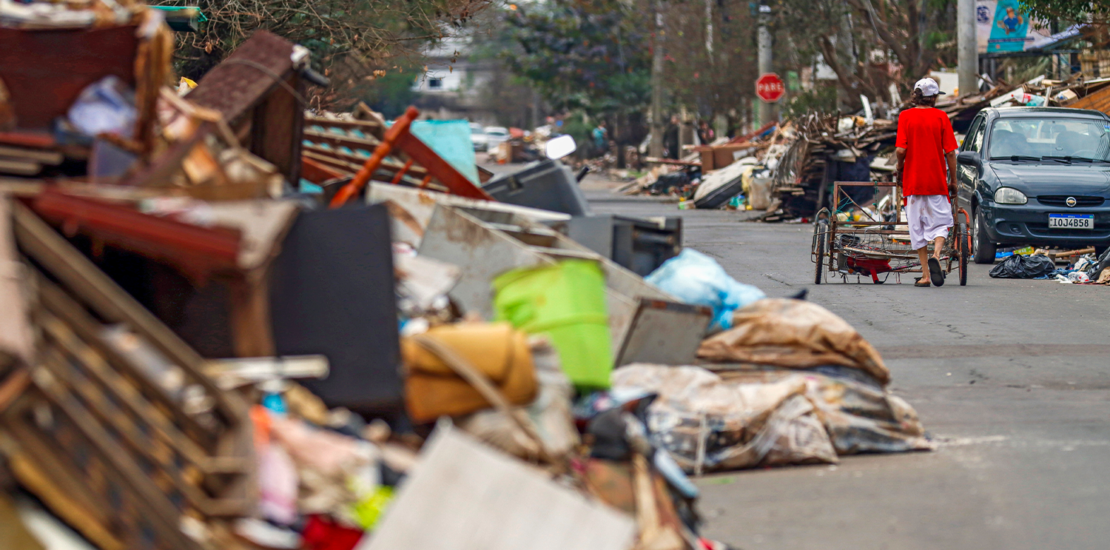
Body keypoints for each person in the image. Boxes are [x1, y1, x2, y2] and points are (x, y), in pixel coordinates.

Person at [895, 77, 958, 287]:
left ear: (916, 95)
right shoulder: (941, 117)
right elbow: (950, 153)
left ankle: (925, 276)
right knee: (941, 224)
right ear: (934, 98)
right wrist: (954, 181)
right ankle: (937, 256)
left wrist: (899, 168)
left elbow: (900, 150)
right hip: (936, 182)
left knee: (917, 229)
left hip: (913, 183)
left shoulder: (905, 116)